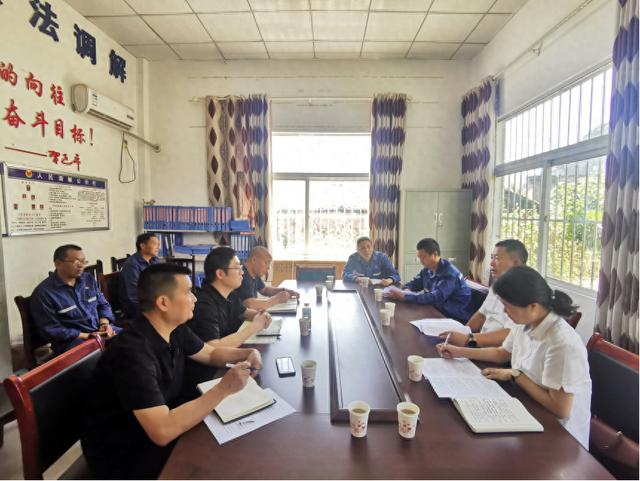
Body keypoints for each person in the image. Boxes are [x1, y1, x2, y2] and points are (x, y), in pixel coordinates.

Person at [81, 263, 262, 479]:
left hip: (153, 427)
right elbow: (163, 431)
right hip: (124, 453)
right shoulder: (131, 353)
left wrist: (247, 352)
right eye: (188, 292)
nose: (195, 299)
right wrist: (224, 388)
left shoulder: (174, 329)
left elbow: (211, 353)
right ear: (163, 302)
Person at [436, 266, 591, 449]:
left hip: (559, 436)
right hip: (527, 407)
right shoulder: (525, 322)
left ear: (533, 306)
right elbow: (502, 353)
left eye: (508, 307)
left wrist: (516, 375)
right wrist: (459, 351)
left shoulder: (561, 343)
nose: (505, 312)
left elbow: (561, 409)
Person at [183, 247, 272, 396]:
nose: (242, 272)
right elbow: (214, 347)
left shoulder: (229, 294)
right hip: (208, 377)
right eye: (237, 268)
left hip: (227, 363)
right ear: (220, 274)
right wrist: (254, 327)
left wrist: (261, 315)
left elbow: (245, 312)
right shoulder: (204, 304)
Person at [30, 244, 120, 355]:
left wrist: (104, 324)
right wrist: (87, 336)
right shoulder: (44, 293)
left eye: (83, 261)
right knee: (108, 358)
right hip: (72, 341)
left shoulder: (88, 279)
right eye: (76, 262)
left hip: (99, 332)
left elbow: (103, 305)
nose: (81, 266)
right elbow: (51, 329)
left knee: (133, 341)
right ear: (58, 263)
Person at [439, 239, 528, 347]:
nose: (491, 263)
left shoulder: (525, 293)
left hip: (496, 351)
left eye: (497, 258)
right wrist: (462, 334)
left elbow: (510, 334)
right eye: (491, 257)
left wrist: (468, 339)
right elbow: (481, 314)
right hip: (478, 344)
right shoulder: (497, 285)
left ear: (516, 263)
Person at [386, 238, 473, 322]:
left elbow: (435, 298)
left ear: (434, 254)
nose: (421, 261)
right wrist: (406, 290)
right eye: (419, 257)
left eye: (424, 257)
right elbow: (414, 283)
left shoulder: (450, 274)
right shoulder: (428, 269)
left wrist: (405, 297)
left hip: (453, 317)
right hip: (436, 310)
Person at [119, 233, 160, 318]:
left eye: (158, 244)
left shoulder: (154, 260)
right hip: (135, 306)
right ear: (142, 246)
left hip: (152, 300)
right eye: (155, 244)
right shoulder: (132, 264)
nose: (158, 247)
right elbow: (133, 294)